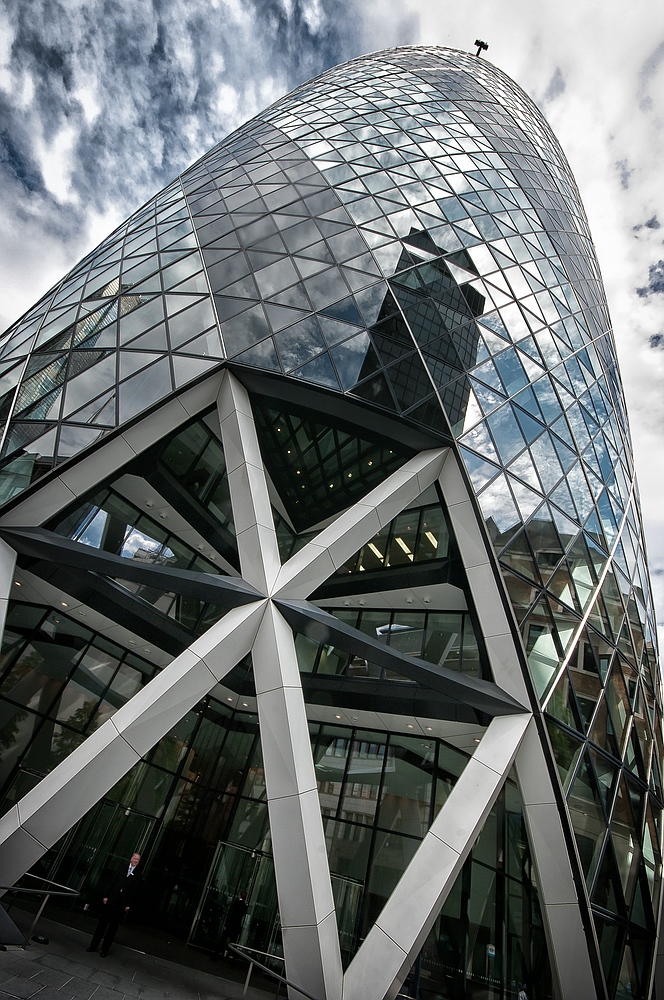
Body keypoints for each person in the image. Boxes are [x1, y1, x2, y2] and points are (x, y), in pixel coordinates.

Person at [87, 852, 141, 957]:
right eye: (135, 858)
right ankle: (93, 946)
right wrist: (106, 895)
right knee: (102, 924)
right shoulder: (122, 868)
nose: (136, 861)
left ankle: (104, 950)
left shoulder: (138, 874)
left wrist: (129, 904)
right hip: (112, 899)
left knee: (113, 928)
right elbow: (112, 881)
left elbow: (134, 890)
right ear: (131, 858)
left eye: (138, 860)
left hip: (122, 903)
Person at [215, 890, 248, 960]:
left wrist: (226, 924)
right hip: (236, 926)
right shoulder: (245, 906)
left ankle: (216, 955)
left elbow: (231, 915)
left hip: (230, 925)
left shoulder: (236, 903)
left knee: (222, 940)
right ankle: (234, 960)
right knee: (233, 944)